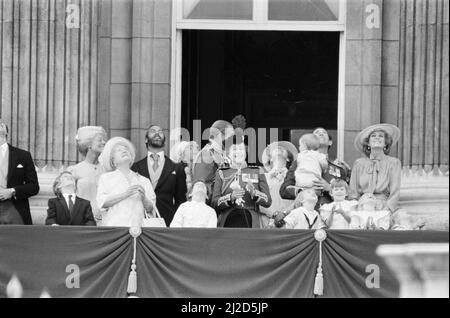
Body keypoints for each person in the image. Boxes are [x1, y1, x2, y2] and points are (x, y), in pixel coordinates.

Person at [280, 127, 351, 207]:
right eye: (316, 133)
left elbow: (347, 197)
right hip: (305, 213)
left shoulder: (339, 169)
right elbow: (284, 190)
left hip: (330, 213)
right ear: (308, 142)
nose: (320, 133)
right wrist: (305, 191)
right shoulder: (299, 162)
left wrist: (329, 188)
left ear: (330, 142)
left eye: (324, 132)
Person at [131, 125, 187, 226]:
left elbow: (180, 200)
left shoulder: (176, 168)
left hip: (167, 221)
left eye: (160, 131)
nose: (157, 133)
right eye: (153, 131)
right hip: (140, 221)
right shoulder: (135, 167)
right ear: (146, 139)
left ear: (165, 141)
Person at [97, 137, 157, 227]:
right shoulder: (106, 178)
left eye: (126, 149)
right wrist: (125, 194)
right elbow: (102, 203)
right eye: (119, 150)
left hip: (138, 231)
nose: (124, 151)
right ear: (113, 161)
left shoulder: (143, 180)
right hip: (114, 230)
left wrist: (143, 198)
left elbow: (151, 209)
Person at [212, 141, 272, 228]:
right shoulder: (221, 173)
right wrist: (231, 197)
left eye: (241, 149)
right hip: (228, 220)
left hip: (250, 220)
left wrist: (254, 193)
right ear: (228, 153)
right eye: (235, 149)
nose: (238, 152)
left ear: (246, 152)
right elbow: (214, 203)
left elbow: (268, 201)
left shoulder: (257, 171)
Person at [349, 123, 402, 214]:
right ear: (368, 143)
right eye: (373, 136)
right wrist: (356, 210)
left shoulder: (394, 163)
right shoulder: (359, 163)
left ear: (386, 143)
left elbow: (395, 192)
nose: (377, 138)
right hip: (362, 206)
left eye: (381, 136)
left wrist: (387, 209)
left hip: (383, 206)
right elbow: (353, 192)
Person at [0, 119, 40, 225]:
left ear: (6, 132)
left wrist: (13, 191)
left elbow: (34, 186)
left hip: (15, 210)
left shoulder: (23, 155)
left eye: (1, 124)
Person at [67, 126, 107, 224]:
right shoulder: (73, 170)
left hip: (105, 221)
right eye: (99, 140)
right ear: (89, 145)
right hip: (82, 221)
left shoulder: (107, 170)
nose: (104, 142)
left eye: (104, 140)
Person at [192, 120, 234, 201]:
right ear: (220, 134)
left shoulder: (220, 153)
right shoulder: (207, 154)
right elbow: (201, 186)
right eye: (231, 136)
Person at [259, 141, 298, 228]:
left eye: (283, 149)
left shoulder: (295, 178)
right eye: (275, 149)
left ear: (288, 158)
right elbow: (258, 199)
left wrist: (284, 214)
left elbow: (299, 199)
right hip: (266, 220)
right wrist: (273, 214)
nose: (278, 148)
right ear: (271, 159)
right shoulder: (262, 177)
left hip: (288, 220)